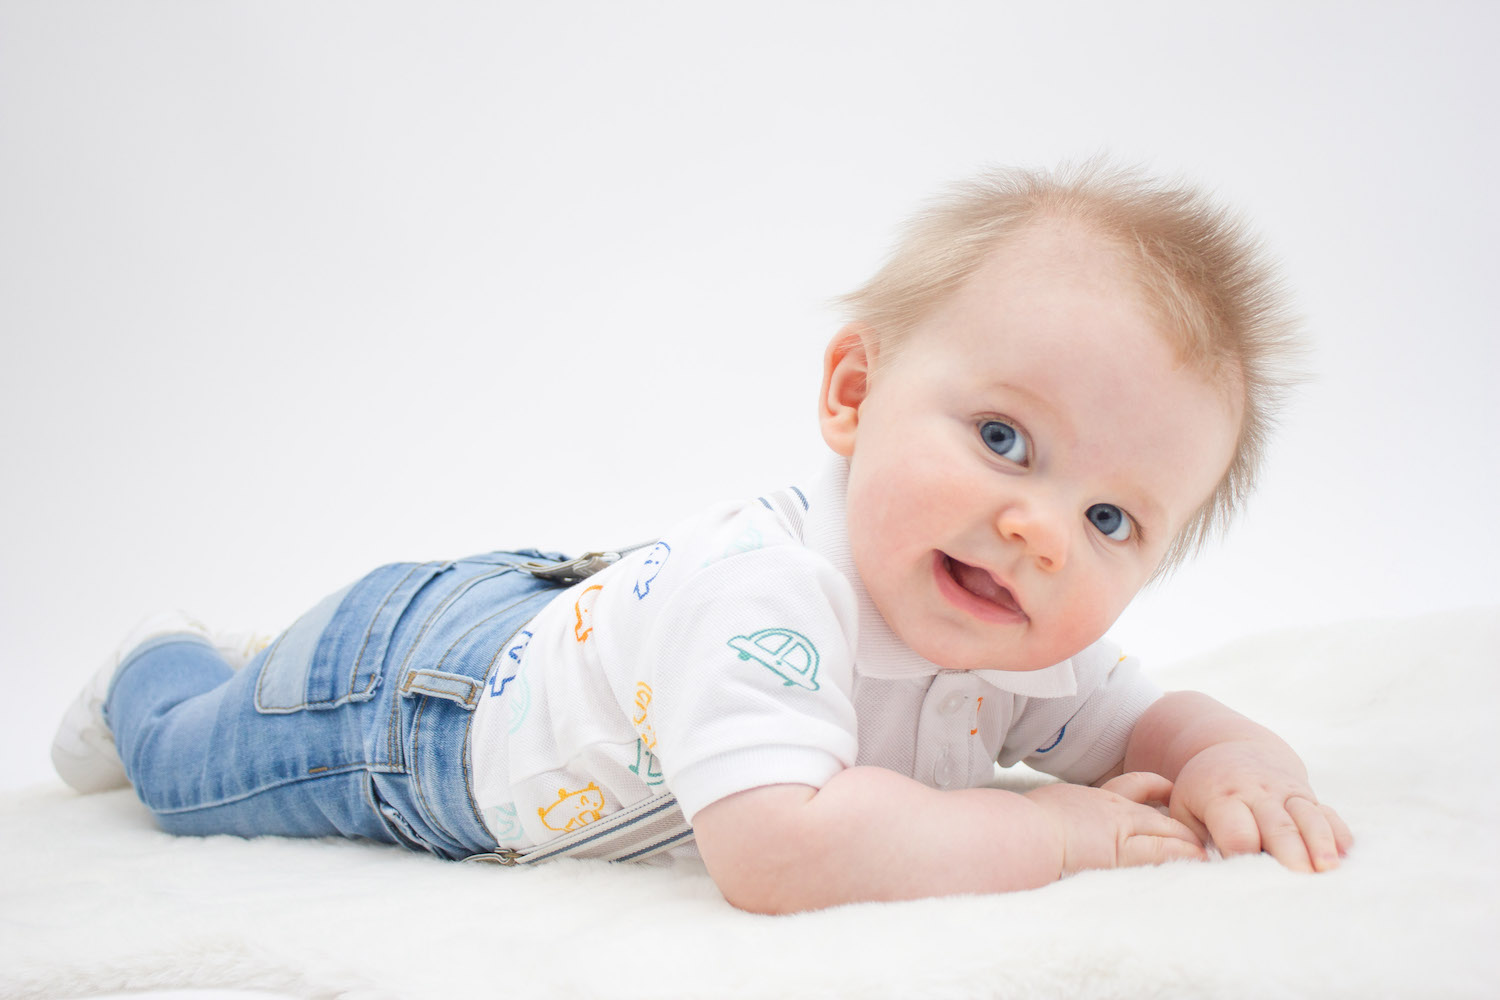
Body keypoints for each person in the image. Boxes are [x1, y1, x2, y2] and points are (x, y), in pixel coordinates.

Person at [51, 161, 1352, 914]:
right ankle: (163, 663)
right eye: (1006, 440)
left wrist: (1243, 762)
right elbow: (779, 851)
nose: (1040, 529)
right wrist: (1056, 837)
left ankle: (254, 656)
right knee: (188, 769)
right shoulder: (773, 599)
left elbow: (1154, 724)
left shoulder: (1023, 636)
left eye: (1112, 518)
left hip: (570, 618)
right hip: (419, 711)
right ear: (854, 397)